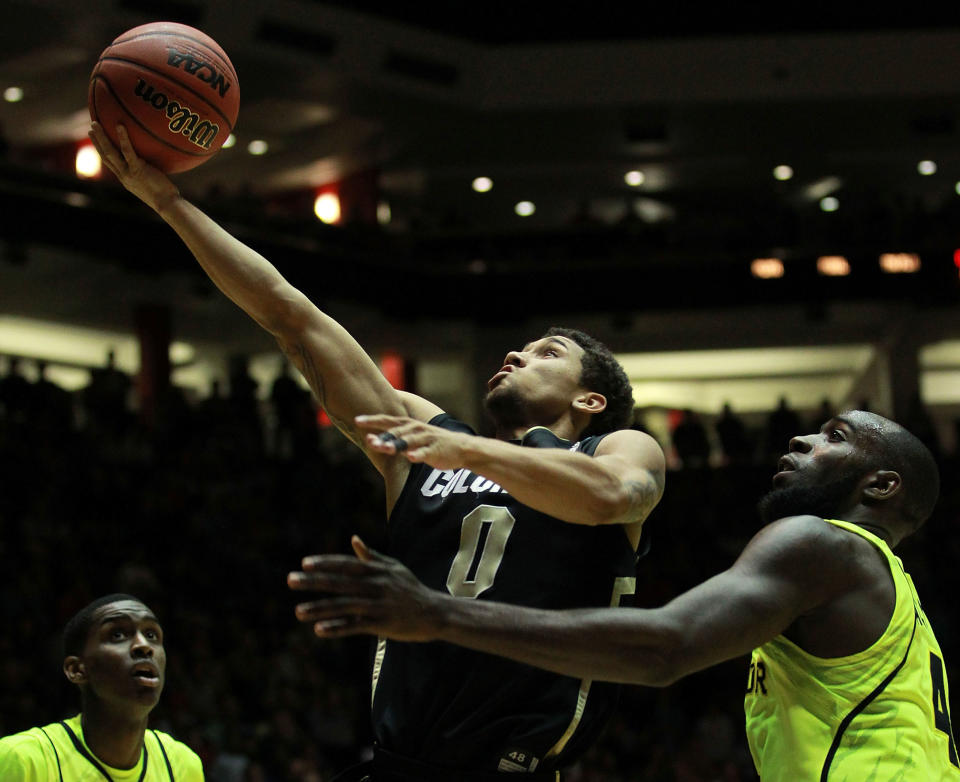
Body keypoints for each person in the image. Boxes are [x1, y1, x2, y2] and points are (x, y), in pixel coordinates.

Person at [89, 123, 667, 780]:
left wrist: (469, 452)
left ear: (591, 400)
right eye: (521, 347)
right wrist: (167, 202)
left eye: (547, 353)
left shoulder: (614, 445)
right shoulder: (428, 446)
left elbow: (613, 497)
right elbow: (291, 316)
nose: (516, 354)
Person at [290, 410, 959, 781]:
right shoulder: (890, 592)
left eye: (835, 437)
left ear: (882, 487)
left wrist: (435, 612)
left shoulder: (822, 544)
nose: (803, 437)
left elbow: (665, 649)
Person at [0, 594, 204, 780]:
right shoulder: (23, 760)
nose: (144, 646)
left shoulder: (182, 765)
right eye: (117, 635)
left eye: (151, 635)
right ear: (76, 669)